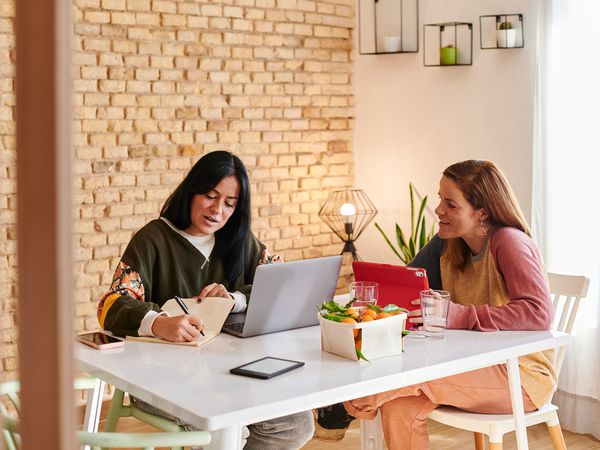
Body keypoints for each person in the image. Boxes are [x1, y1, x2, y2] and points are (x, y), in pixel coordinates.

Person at [314, 160, 556, 449]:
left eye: (451, 204)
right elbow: (405, 285)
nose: (439, 210)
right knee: (399, 405)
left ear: (482, 212)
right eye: (441, 199)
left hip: (521, 378)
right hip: (470, 363)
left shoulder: (509, 242)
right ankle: (339, 406)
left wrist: (459, 315)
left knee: (403, 380)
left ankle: (339, 408)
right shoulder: (448, 242)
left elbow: (539, 313)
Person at [97, 150, 313, 449]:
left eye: (229, 203)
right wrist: (159, 323)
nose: (217, 210)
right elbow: (113, 304)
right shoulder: (153, 239)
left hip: (234, 373)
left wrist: (236, 298)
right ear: (192, 191)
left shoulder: (239, 240)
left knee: (295, 424)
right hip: (165, 379)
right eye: (210, 196)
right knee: (228, 430)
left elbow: (281, 282)